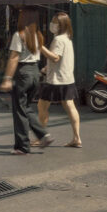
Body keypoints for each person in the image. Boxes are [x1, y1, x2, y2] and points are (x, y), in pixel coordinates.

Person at [0, 7, 51, 155]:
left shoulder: (19, 35)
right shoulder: (38, 36)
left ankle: (22, 147)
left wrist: (7, 78)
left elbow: (14, 58)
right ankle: (43, 134)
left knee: (19, 111)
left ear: (23, 19)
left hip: (23, 73)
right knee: (25, 108)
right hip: (35, 73)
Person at [38, 12, 82, 149]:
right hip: (67, 78)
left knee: (42, 106)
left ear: (61, 25)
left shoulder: (58, 40)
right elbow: (60, 59)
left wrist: (41, 47)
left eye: (54, 21)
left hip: (55, 80)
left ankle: (41, 137)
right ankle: (77, 138)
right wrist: (47, 67)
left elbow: (55, 57)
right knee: (70, 107)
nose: (52, 24)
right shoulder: (67, 38)